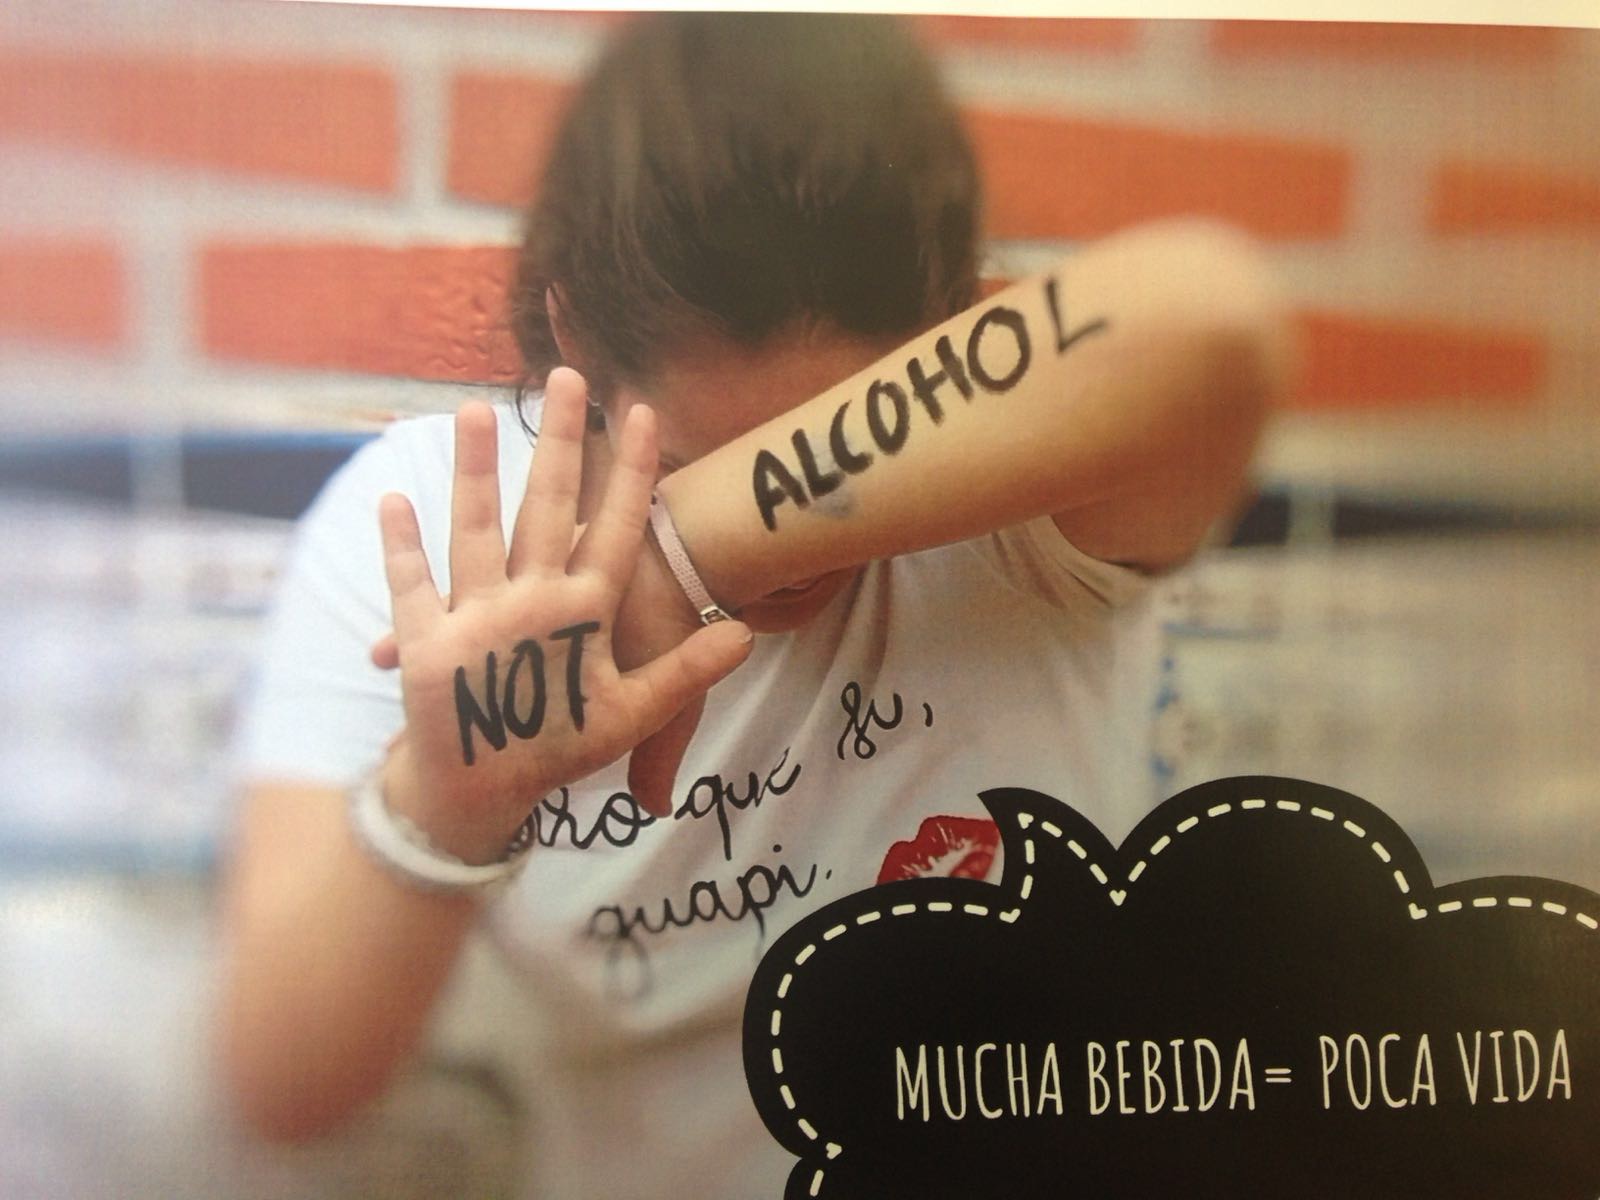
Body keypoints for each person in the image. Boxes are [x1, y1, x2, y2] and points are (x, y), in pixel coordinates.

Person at [216, 12, 1287, 1197]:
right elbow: (284, 1089)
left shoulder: (1028, 495)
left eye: (819, 456)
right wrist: (446, 801)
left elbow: (1215, 314)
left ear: (945, 332)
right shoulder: (429, 530)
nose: (781, 568)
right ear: (575, 337)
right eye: (693, 459)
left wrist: (681, 552)